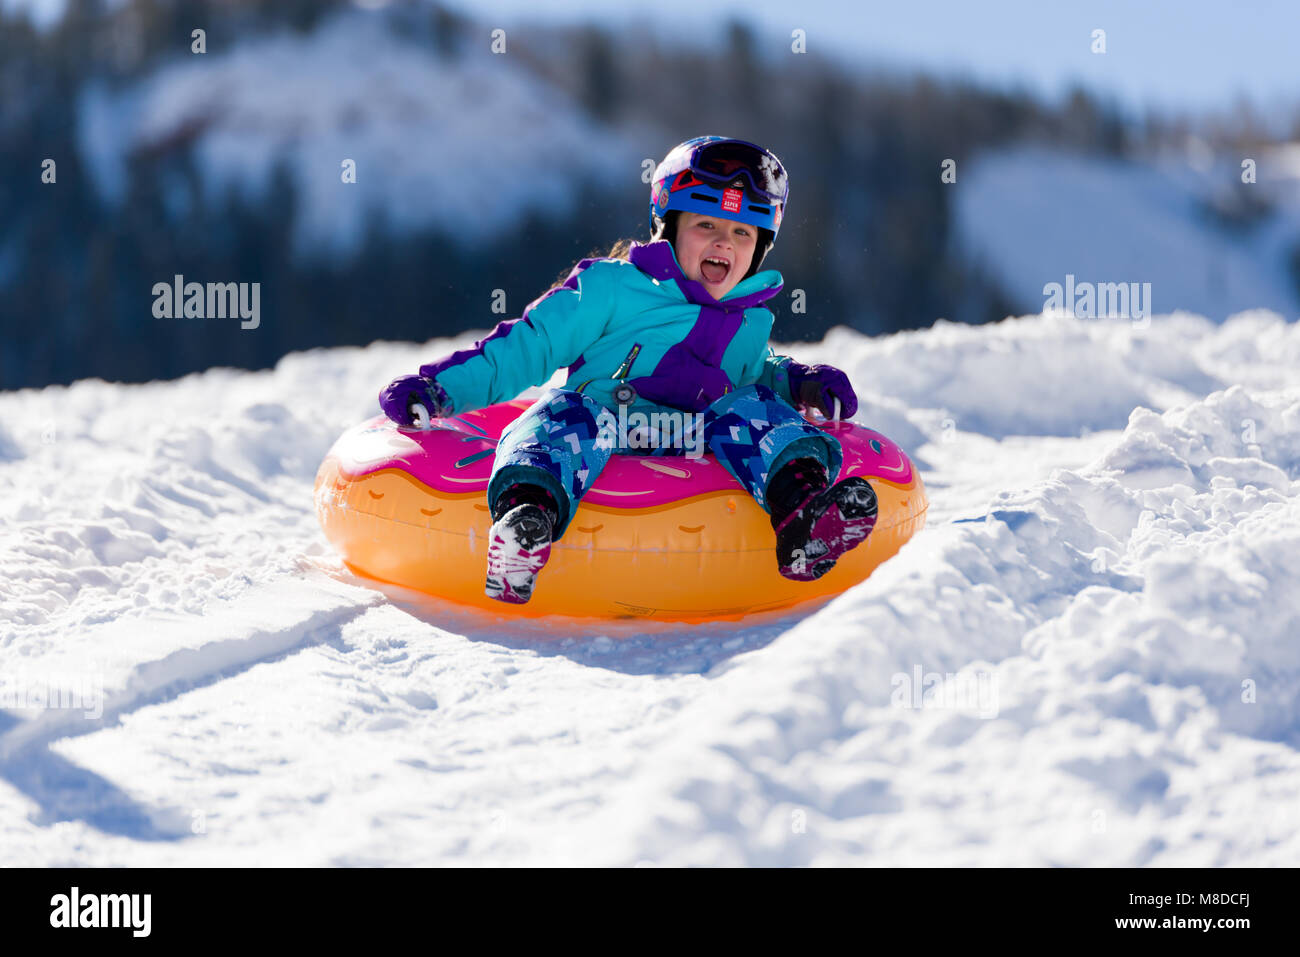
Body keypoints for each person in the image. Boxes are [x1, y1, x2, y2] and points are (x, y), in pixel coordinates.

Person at [379, 136, 877, 604]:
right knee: (560, 416)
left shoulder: (748, 319)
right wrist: (438, 388)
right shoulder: (612, 288)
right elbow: (527, 346)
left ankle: (804, 521)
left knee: (756, 410)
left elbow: (757, 373)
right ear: (670, 227)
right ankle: (525, 523)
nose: (724, 243)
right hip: (605, 422)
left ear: (758, 251)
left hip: (696, 437)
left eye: (743, 233)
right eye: (706, 225)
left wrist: (800, 382)